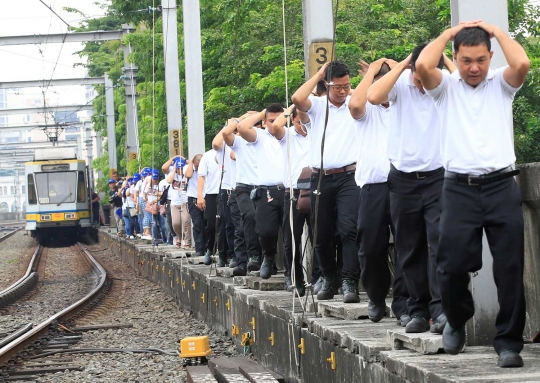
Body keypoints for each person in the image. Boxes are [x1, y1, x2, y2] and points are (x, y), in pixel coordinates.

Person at [416, 22, 529, 367]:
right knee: (449, 265)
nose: (474, 68)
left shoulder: (502, 84)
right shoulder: (445, 87)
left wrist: (495, 30)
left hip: (501, 186)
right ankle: (456, 318)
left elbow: (522, 64)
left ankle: (508, 341)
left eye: (480, 60)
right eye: (466, 61)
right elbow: (422, 66)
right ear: (455, 58)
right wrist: (449, 34)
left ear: (490, 56)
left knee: (510, 268)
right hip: (458, 190)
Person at [368, 44, 456, 333]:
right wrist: (404, 64)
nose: (422, 82)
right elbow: (372, 95)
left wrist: (442, 57)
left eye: (426, 74)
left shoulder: (442, 84)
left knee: (440, 243)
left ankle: (441, 309)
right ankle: (417, 310)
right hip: (403, 178)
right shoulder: (402, 84)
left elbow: (469, 91)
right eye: (418, 75)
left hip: (437, 175)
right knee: (409, 248)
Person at [292, 61, 360, 303]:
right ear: (327, 85)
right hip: (321, 177)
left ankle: (350, 280)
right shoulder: (318, 106)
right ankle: (329, 277)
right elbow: (298, 98)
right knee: (321, 232)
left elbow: (371, 95)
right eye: (338, 87)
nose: (343, 91)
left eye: (347, 86)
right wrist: (318, 74)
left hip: (350, 176)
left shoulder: (354, 103)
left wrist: (356, 87)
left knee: (349, 229)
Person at [349, 58, 410, 325]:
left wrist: (399, 67)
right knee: (370, 247)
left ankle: (405, 303)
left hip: (403, 184)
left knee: (409, 246)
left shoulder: (404, 104)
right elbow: (354, 104)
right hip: (372, 186)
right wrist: (372, 71)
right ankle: (376, 297)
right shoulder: (367, 110)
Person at [237, 104, 285, 280]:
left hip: (288, 190)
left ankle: (291, 274)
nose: (275, 124)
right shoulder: (260, 137)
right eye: (271, 121)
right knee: (266, 231)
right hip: (266, 192)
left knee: (289, 233)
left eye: (279, 120)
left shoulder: (289, 134)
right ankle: (268, 255)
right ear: (264, 122)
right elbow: (242, 127)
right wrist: (261, 113)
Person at [271, 105, 311, 295]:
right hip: (293, 192)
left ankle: (320, 278)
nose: (302, 126)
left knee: (321, 236)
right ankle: (294, 277)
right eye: (298, 122)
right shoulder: (287, 136)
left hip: (316, 190)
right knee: (291, 239)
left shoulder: (315, 130)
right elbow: (275, 126)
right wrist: (296, 104)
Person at [222, 111, 262, 276]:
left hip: (263, 186)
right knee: (247, 219)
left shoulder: (266, 139)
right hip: (243, 187)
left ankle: (265, 259)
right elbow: (225, 134)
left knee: (263, 224)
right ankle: (245, 259)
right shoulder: (238, 142)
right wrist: (241, 119)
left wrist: (261, 115)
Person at [212, 126, 238, 267]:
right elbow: (216, 144)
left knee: (245, 225)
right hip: (227, 188)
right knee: (227, 224)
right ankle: (227, 254)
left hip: (245, 187)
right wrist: (230, 124)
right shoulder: (224, 148)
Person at [197, 149, 221, 265]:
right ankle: (209, 248)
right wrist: (200, 196)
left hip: (227, 191)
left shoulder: (233, 150)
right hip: (211, 193)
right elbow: (201, 176)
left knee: (226, 224)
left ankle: (224, 253)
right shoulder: (207, 155)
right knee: (210, 224)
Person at [185, 154, 205, 257]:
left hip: (205, 198)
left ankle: (208, 248)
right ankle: (199, 249)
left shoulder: (206, 167)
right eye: (197, 165)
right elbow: (188, 175)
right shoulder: (191, 169)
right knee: (197, 224)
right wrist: (191, 163)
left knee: (207, 223)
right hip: (193, 199)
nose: (198, 167)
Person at [167, 158, 188, 249]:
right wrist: (174, 169)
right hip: (175, 203)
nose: (180, 170)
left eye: (181, 168)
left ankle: (186, 241)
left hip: (185, 202)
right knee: (175, 223)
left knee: (185, 221)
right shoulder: (173, 174)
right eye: (178, 168)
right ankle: (179, 237)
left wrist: (185, 160)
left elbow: (192, 162)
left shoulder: (187, 174)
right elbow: (169, 181)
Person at [144, 169, 162, 243]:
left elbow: (162, 195)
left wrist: (154, 201)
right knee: (153, 223)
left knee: (162, 224)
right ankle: (155, 238)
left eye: (156, 179)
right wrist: (146, 199)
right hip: (150, 208)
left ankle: (162, 236)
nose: (155, 180)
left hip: (159, 207)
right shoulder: (148, 185)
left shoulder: (160, 185)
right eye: (154, 179)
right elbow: (144, 192)